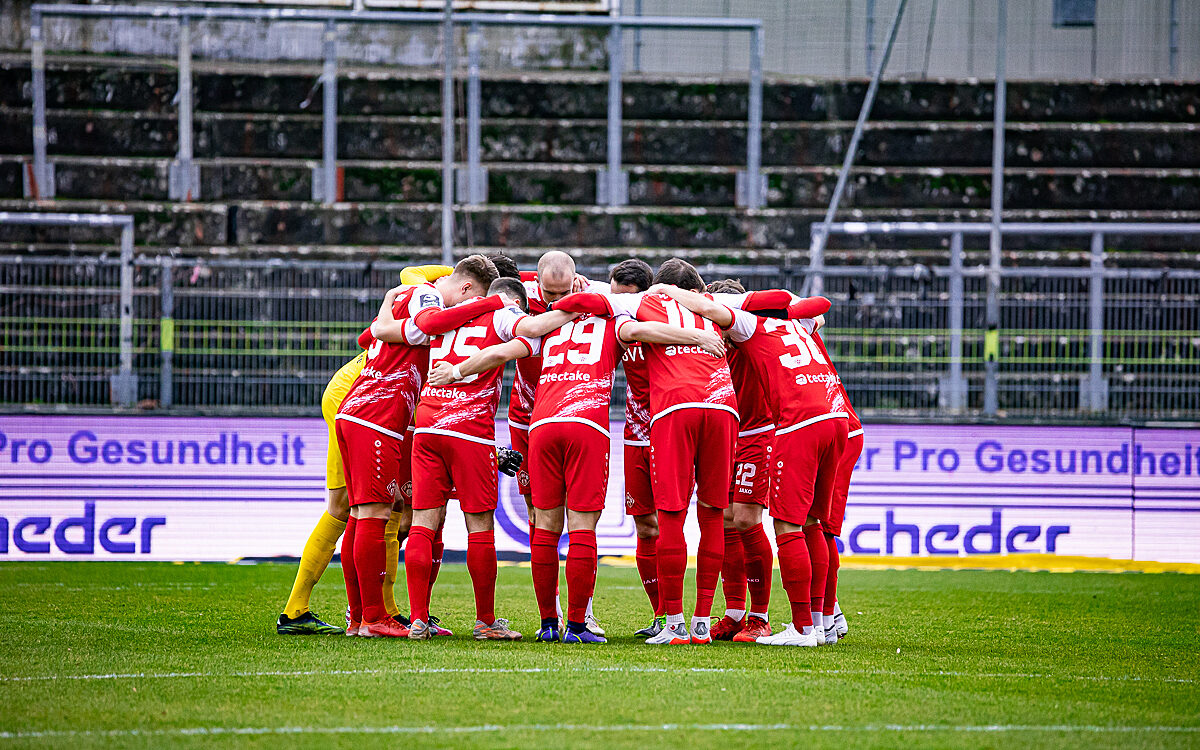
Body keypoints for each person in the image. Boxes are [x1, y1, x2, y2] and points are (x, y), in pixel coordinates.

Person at [555, 259, 737, 645]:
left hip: (672, 414)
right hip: (645, 429)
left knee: (679, 517)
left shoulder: (635, 306)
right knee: (648, 525)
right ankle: (662, 615)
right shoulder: (697, 309)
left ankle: (681, 620)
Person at [651, 284, 843, 647]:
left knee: (756, 520)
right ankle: (750, 614)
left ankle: (768, 618)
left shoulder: (747, 328)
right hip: (734, 429)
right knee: (727, 517)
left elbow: (811, 308)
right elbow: (815, 311)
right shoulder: (792, 328)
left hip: (763, 431)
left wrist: (666, 291)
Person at [275, 263, 461, 635]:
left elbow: (370, 334)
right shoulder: (435, 300)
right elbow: (412, 273)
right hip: (362, 396)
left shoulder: (437, 306)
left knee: (387, 506)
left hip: (373, 398)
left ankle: (379, 609)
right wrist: (452, 273)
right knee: (352, 506)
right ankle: (302, 610)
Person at [338, 256, 503, 638]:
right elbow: (428, 324)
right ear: (465, 289)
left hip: (361, 409)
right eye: (471, 300)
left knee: (361, 513)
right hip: (376, 413)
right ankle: (372, 619)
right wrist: (494, 303)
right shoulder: (428, 297)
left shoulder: (405, 295)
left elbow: (370, 336)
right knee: (375, 514)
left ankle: (361, 616)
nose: (467, 312)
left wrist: (383, 317)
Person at [405, 277, 577, 641]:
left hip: (428, 425)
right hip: (469, 430)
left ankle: (419, 619)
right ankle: (485, 621)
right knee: (479, 525)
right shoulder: (503, 312)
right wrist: (571, 308)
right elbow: (529, 327)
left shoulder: (445, 314)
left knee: (424, 521)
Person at [706, 279, 778, 645]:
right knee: (726, 520)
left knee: (748, 518)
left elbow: (812, 319)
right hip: (727, 435)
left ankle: (761, 616)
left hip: (758, 434)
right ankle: (735, 612)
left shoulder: (756, 335)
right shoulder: (711, 340)